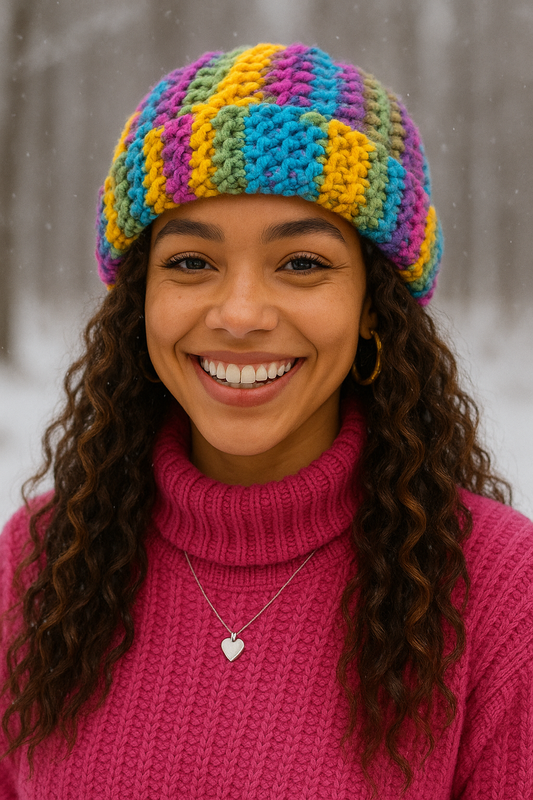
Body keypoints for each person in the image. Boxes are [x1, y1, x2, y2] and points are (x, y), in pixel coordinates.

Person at [1, 42, 532, 799]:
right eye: (190, 263)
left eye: (302, 264)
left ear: (373, 307)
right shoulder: (37, 565)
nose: (241, 315)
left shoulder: (501, 593)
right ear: (137, 304)